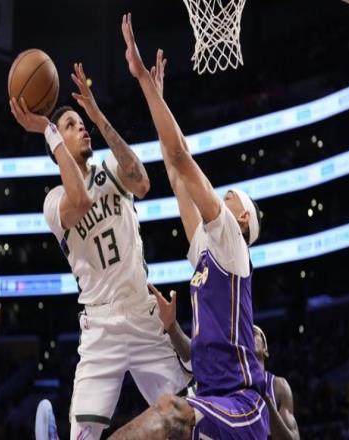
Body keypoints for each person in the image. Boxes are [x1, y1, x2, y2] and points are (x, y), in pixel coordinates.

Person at [9, 61, 188, 440]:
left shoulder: (110, 167)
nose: (81, 128)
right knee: (84, 435)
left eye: (80, 123)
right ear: (56, 144)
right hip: (101, 325)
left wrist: (97, 115)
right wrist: (48, 129)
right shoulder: (54, 202)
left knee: (186, 420)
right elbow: (82, 200)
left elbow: (142, 183)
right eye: (70, 125)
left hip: (142, 312)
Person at [109, 13, 267, 439]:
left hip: (240, 402)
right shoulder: (205, 251)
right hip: (209, 396)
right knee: (169, 411)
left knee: (170, 411)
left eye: (229, 196)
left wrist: (143, 80)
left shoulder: (231, 240)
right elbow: (176, 174)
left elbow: (182, 159)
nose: (221, 196)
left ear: (242, 218)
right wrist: (159, 101)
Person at [148, 283, 300, 440]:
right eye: (244, 333)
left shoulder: (278, 386)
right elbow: (192, 353)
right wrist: (171, 326)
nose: (247, 335)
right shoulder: (227, 377)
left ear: (265, 349)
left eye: (253, 332)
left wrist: (265, 400)